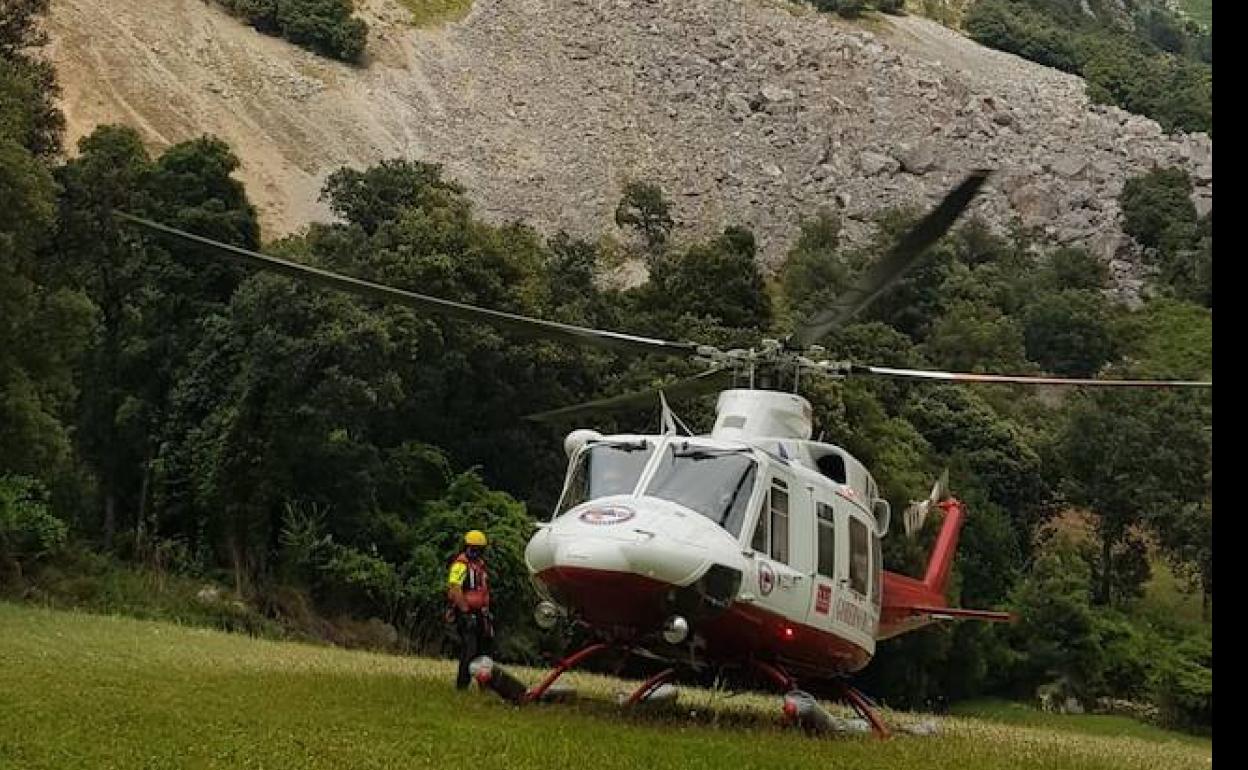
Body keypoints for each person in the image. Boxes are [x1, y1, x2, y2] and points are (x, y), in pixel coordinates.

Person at [447, 529, 493, 690]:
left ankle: (484, 684)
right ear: (466, 547)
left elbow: (484, 590)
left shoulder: (480, 566)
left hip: (480, 613)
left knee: (484, 650)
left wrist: (486, 612)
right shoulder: (460, 565)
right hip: (466, 613)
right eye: (472, 548)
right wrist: (465, 612)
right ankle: (462, 685)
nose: (475, 552)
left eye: (479, 549)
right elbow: (455, 588)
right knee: (469, 649)